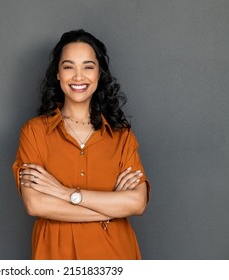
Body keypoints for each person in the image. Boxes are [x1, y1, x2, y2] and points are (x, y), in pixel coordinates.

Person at [12, 29, 150, 260]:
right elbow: (36, 204)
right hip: (56, 257)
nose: (78, 76)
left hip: (115, 256)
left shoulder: (122, 135)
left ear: (99, 73)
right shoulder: (34, 132)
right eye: (68, 66)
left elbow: (137, 203)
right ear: (57, 73)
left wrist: (63, 193)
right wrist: (109, 209)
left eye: (88, 66)